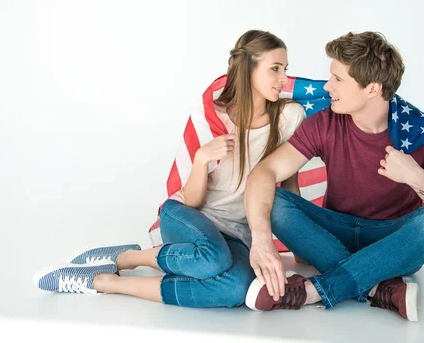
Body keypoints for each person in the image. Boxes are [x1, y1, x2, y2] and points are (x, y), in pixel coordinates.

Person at [33, 30, 306, 308]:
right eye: (274, 69)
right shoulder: (211, 116)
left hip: (236, 232)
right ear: (248, 69)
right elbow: (193, 201)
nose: (283, 79)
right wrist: (201, 158)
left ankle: (102, 279)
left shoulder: (290, 116)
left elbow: (289, 187)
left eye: (285, 68)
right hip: (187, 215)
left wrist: (301, 242)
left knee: (237, 288)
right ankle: (128, 258)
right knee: (213, 259)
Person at [243, 31, 424, 321]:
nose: (329, 86)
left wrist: (417, 178)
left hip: (392, 240)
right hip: (334, 231)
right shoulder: (326, 122)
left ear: (372, 88)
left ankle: (316, 291)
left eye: (339, 79)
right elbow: (265, 173)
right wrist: (261, 239)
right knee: (276, 201)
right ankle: (376, 286)